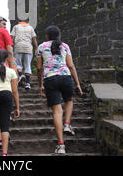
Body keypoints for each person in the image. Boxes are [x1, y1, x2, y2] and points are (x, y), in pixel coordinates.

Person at [36, 25, 83, 154]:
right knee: (69, 100)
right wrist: (77, 83)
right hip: (66, 77)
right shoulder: (65, 46)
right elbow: (71, 65)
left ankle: (61, 146)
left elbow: (39, 68)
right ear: (58, 35)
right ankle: (67, 124)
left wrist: (40, 84)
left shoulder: (41, 47)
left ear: (47, 36)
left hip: (50, 79)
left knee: (57, 112)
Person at [10, 20, 38, 89]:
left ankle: (21, 74)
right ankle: (28, 83)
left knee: (17, 63)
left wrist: (10, 47)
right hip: (28, 47)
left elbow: (12, 38)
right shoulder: (30, 27)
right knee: (27, 64)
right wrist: (36, 48)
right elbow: (34, 39)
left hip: (18, 47)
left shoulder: (16, 27)